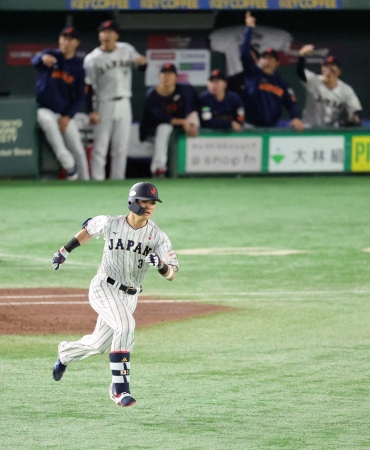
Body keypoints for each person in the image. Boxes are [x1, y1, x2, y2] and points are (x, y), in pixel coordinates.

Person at [51, 181, 179, 408]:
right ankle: (119, 389)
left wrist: (160, 266)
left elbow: (171, 274)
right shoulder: (111, 223)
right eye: (144, 201)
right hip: (104, 287)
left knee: (98, 344)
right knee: (126, 325)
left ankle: (65, 354)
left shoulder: (158, 237)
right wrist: (64, 251)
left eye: (152, 202)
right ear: (133, 201)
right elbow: (88, 229)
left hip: (130, 297)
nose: (149, 206)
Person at [84, 20, 147, 180]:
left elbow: (141, 67)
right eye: (103, 32)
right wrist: (91, 110)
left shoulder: (126, 49)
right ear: (99, 35)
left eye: (110, 32)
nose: (107, 35)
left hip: (124, 102)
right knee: (100, 146)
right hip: (103, 103)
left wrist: (142, 62)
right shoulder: (92, 58)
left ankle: (117, 179)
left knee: (121, 147)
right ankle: (97, 179)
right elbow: (88, 87)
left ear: (116, 35)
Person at [32, 26, 90, 181]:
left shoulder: (78, 66)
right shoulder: (50, 55)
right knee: (49, 124)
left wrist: (67, 116)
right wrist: (42, 58)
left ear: (77, 43)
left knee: (77, 147)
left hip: (64, 113)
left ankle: (86, 180)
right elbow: (35, 60)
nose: (66, 42)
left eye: (70, 39)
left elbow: (80, 97)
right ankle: (69, 166)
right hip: (44, 109)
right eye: (63, 38)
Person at [240, 12, 304, 132]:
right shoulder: (253, 73)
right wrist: (249, 29)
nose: (267, 61)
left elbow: (291, 103)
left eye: (271, 58)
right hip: (251, 126)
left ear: (277, 63)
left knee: (297, 126)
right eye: (264, 58)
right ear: (260, 60)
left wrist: (296, 118)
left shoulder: (281, 83)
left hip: (273, 126)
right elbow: (244, 53)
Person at [139, 63, 199, 178]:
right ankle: (158, 168)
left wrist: (192, 124)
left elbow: (193, 108)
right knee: (164, 128)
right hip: (152, 134)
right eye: (163, 74)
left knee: (192, 121)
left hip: (176, 130)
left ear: (176, 77)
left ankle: (194, 167)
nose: (166, 77)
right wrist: (183, 122)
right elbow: (160, 118)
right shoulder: (152, 95)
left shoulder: (185, 90)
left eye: (170, 74)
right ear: (159, 77)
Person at [296, 45, 362, 128]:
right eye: (325, 67)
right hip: (309, 129)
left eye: (331, 68)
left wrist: (355, 118)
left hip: (331, 132)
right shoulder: (314, 80)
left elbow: (356, 110)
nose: (327, 71)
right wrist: (301, 57)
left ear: (338, 72)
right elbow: (300, 72)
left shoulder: (346, 90)